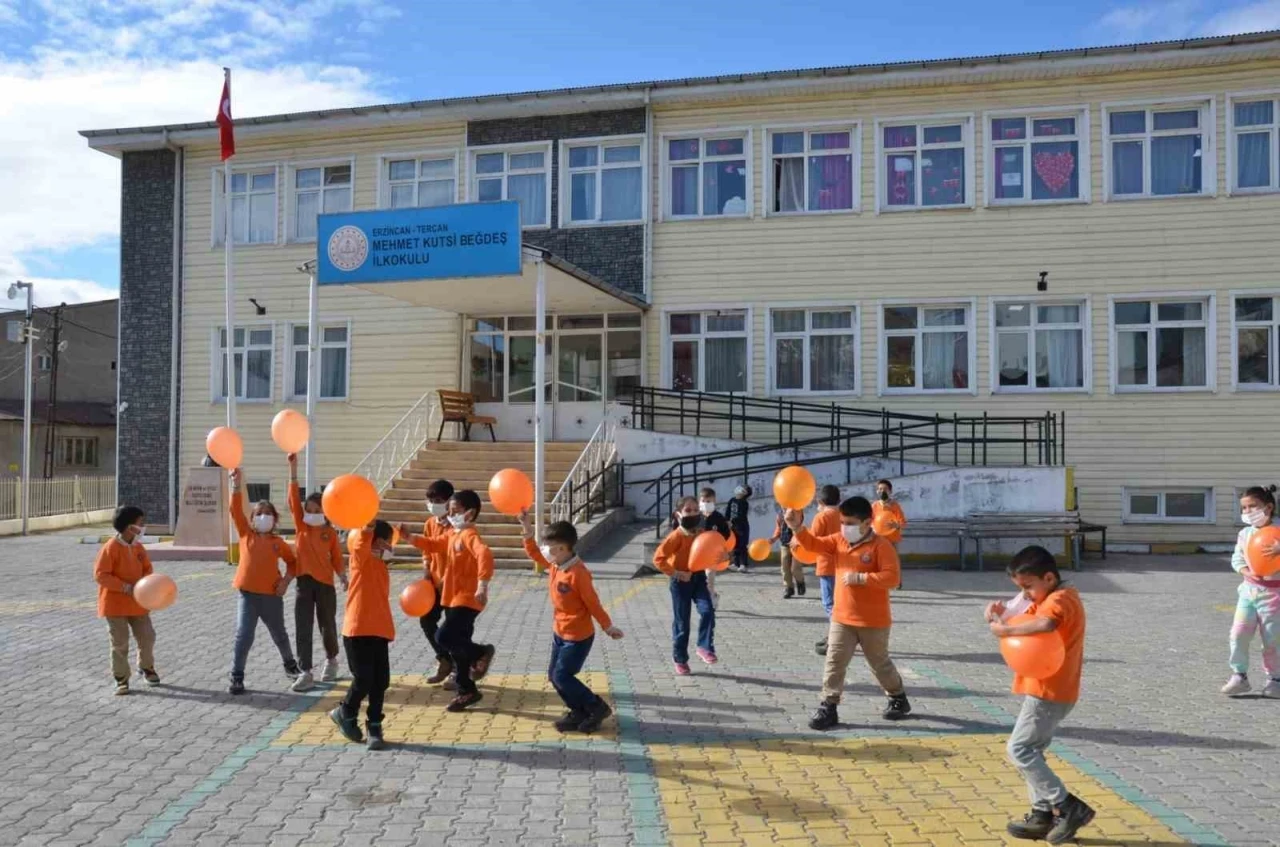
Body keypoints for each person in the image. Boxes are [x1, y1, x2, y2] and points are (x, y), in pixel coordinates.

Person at [985, 545, 1093, 844]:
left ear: (1048, 578)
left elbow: (1045, 624)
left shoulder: (1060, 599)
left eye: (1028, 587)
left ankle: (1068, 806)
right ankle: (1042, 813)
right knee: (1032, 750)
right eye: (1020, 588)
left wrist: (1005, 632)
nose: (1025, 594)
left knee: (1019, 749)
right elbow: (1022, 617)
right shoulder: (1049, 597)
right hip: (1048, 687)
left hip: (1050, 690)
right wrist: (998, 616)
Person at [786, 496, 910, 728]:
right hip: (842, 618)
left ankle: (897, 697)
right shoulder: (838, 540)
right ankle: (828, 706)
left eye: (850, 523)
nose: (845, 527)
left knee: (879, 664)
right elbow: (813, 545)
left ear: (867, 523)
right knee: (834, 662)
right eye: (843, 522)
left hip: (873, 620)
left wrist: (862, 578)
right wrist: (796, 527)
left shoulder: (881, 546)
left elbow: (892, 578)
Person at [518, 510, 623, 733]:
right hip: (560, 632)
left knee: (562, 676)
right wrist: (526, 528)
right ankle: (578, 711)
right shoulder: (556, 565)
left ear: (563, 549)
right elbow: (534, 554)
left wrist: (608, 626)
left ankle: (597, 707)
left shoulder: (578, 573)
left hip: (578, 636)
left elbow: (593, 603)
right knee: (554, 676)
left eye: (549, 546)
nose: (545, 549)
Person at [401, 489, 494, 712]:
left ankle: (481, 652)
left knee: (443, 636)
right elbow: (433, 544)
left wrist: (482, 584)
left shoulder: (469, 535)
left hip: (468, 599)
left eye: (455, 511)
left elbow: (484, 554)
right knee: (458, 648)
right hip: (451, 599)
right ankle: (466, 690)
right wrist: (409, 537)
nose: (450, 515)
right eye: (450, 511)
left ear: (470, 513)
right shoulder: (453, 534)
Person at [227, 468, 300, 695]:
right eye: (259, 513)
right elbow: (234, 510)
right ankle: (237, 676)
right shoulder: (246, 535)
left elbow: (293, 564)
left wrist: (285, 582)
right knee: (243, 635)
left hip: (271, 596)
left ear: (275, 519)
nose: (263, 517)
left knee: (279, 634)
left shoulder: (279, 543)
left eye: (268, 513)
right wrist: (236, 485)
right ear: (252, 519)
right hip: (247, 595)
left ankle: (290, 665)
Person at [329, 520, 397, 750]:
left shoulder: (381, 566)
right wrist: (367, 528)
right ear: (377, 542)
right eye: (388, 541)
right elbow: (359, 544)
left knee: (381, 681)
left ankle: (374, 726)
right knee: (364, 678)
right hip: (357, 630)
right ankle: (346, 711)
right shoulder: (360, 559)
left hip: (380, 630)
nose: (391, 546)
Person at [286, 454, 346, 692]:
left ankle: (332, 660)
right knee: (303, 627)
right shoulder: (301, 527)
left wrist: (342, 576)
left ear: (325, 511)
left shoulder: (329, 534)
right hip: (303, 584)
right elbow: (293, 500)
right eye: (308, 510)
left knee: (327, 625)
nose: (311, 513)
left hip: (325, 586)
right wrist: (293, 470)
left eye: (316, 510)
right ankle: (306, 671)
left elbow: (337, 558)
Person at [94, 505, 160, 695]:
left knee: (147, 636)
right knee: (120, 643)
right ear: (129, 526)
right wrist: (125, 587)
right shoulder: (111, 547)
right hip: (114, 605)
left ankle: (146, 667)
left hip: (138, 602)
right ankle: (121, 678)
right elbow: (101, 575)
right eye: (140, 522)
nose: (143, 526)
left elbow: (147, 568)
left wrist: (145, 584)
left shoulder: (138, 547)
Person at [1222, 484, 1280, 698]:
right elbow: (1237, 559)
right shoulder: (1245, 534)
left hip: (1275, 596)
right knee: (1238, 634)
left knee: (1273, 640)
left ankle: (1275, 680)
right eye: (1244, 508)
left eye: (1253, 506)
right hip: (1249, 592)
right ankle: (1239, 676)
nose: (1247, 512)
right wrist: (1248, 571)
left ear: (1269, 507)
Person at [653, 496, 717, 675]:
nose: (693, 514)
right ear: (678, 514)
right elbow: (658, 559)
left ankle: (704, 647)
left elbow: (712, 552)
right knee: (682, 623)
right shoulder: (676, 536)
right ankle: (680, 659)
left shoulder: (702, 533)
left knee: (707, 611)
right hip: (680, 582)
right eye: (688, 510)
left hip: (699, 578)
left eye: (696, 510)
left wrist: (721, 556)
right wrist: (677, 573)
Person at [409, 479, 455, 688]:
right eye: (431, 501)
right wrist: (427, 569)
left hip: (453, 585)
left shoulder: (456, 525)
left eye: (438, 501)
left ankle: (459, 670)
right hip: (434, 584)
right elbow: (427, 549)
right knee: (427, 622)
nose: (434, 505)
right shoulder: (430, 523)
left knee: (453, 629)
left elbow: (457, 555)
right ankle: (444, 660)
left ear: (449, 501)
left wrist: (447, 577)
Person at [808, 485, 843, 655]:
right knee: (839, 603)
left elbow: (811, 540)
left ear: (820, 501)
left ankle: (837, 638)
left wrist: (797, 540)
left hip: (827, 565)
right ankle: (833, 636)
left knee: (830, 604)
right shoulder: (844, 515)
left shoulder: (821, 517)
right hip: (844, 564)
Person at [696, 487, 730, 607]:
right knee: (699, 581)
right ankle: (712, 595)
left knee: (709, 578)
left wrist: (721, 547)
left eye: (708, 501)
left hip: (712, 554)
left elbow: (726, 534)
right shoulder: (696, 517)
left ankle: (711, 601)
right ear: (699, 501)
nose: (705, 504)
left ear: (714, 501)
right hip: (698, 553)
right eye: (703, 501)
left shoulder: (719, 518)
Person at [771, 508, 805, 599]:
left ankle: (800, 582)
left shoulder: (797, 511)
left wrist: (790, 514)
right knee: (785, 567)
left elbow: (799, 525)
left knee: (795, 568)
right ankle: (788, 588)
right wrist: (774, 538)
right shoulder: (780, 514)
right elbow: (778, 528)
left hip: (796, 544)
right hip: (784, 543)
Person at [724, 484, 752, 572]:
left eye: (742, 489)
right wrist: (727, 521)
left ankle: (743, 564)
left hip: (742, 526)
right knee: (735, 545)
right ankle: (736, 564)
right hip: (733, 526)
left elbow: (741, 515)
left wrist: (732, 522)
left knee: (742, 545)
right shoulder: (732, 500)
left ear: (744, 493)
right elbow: (727, 511)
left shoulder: (744, 503)